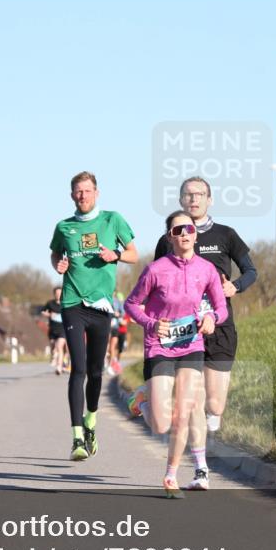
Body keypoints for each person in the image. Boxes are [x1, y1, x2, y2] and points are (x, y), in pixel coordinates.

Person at [130, 177, 257, 434]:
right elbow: (155, 282)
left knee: (215, 406)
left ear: (210, 200)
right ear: (180, 201)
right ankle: (197, 458)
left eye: (199, 194)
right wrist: (153, 322)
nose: (194, 199)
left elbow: (251, 271)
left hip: (217, 324)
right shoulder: (168, 240)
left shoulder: (226, 234)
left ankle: (147, 394)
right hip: (180, 327)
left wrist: (236, 286)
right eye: (188, 195)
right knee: (184, 403)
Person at [125, 210, 227, 497]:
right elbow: (132, 304)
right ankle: (140, 400)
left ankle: (170, 475)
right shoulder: (156, 269)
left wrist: (211, 320)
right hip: (159, 347)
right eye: (178, 230)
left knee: (184, 411)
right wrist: (151, 323)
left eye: (189, 229)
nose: (184, 234)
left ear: (195, 234)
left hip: (192, 345)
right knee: (160, 423)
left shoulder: (206, 269)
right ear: (170, 237)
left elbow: (221, 307)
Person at [50, 171, 137, 460]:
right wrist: (58, 266)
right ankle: (76, 438)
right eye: (78, 191)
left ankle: (91, 420)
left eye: (87, 191)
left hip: (102, 306)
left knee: (97, 372)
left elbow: (134, 254)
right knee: (79, 368)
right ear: (72, 195)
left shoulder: (113, 220)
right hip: (73, 303)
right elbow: (54, 254)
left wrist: (116, 255)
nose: (82, 196)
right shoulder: (64, 227)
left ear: (96, 193)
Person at [41, 286, 67, 375]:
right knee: (53, 346)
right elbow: (42, 312)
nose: (58, 295)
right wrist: (49, 315)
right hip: (52, 329)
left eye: (60, 293)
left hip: (63, 329)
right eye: (57, 293)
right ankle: (53, 356)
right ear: (54, 294)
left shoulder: (65, 303)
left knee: (59, 347)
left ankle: (59, 367)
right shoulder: (50, 303)